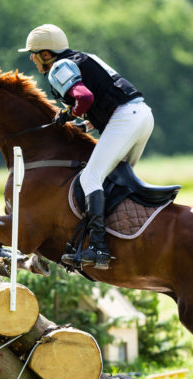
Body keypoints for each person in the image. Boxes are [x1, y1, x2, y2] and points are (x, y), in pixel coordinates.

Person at [19, 24, 153, 270]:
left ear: (46, 54)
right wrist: (92, 120)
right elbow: (105, 94)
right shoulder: (83, 57)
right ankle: (122, 236)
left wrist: (69, 113)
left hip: (125, 118)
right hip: (141, 115)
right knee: (116, 179)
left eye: (34, 52)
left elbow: (85, 98)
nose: (31, 57)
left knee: (90, 177)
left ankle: (99, 247)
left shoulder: (58, 67)